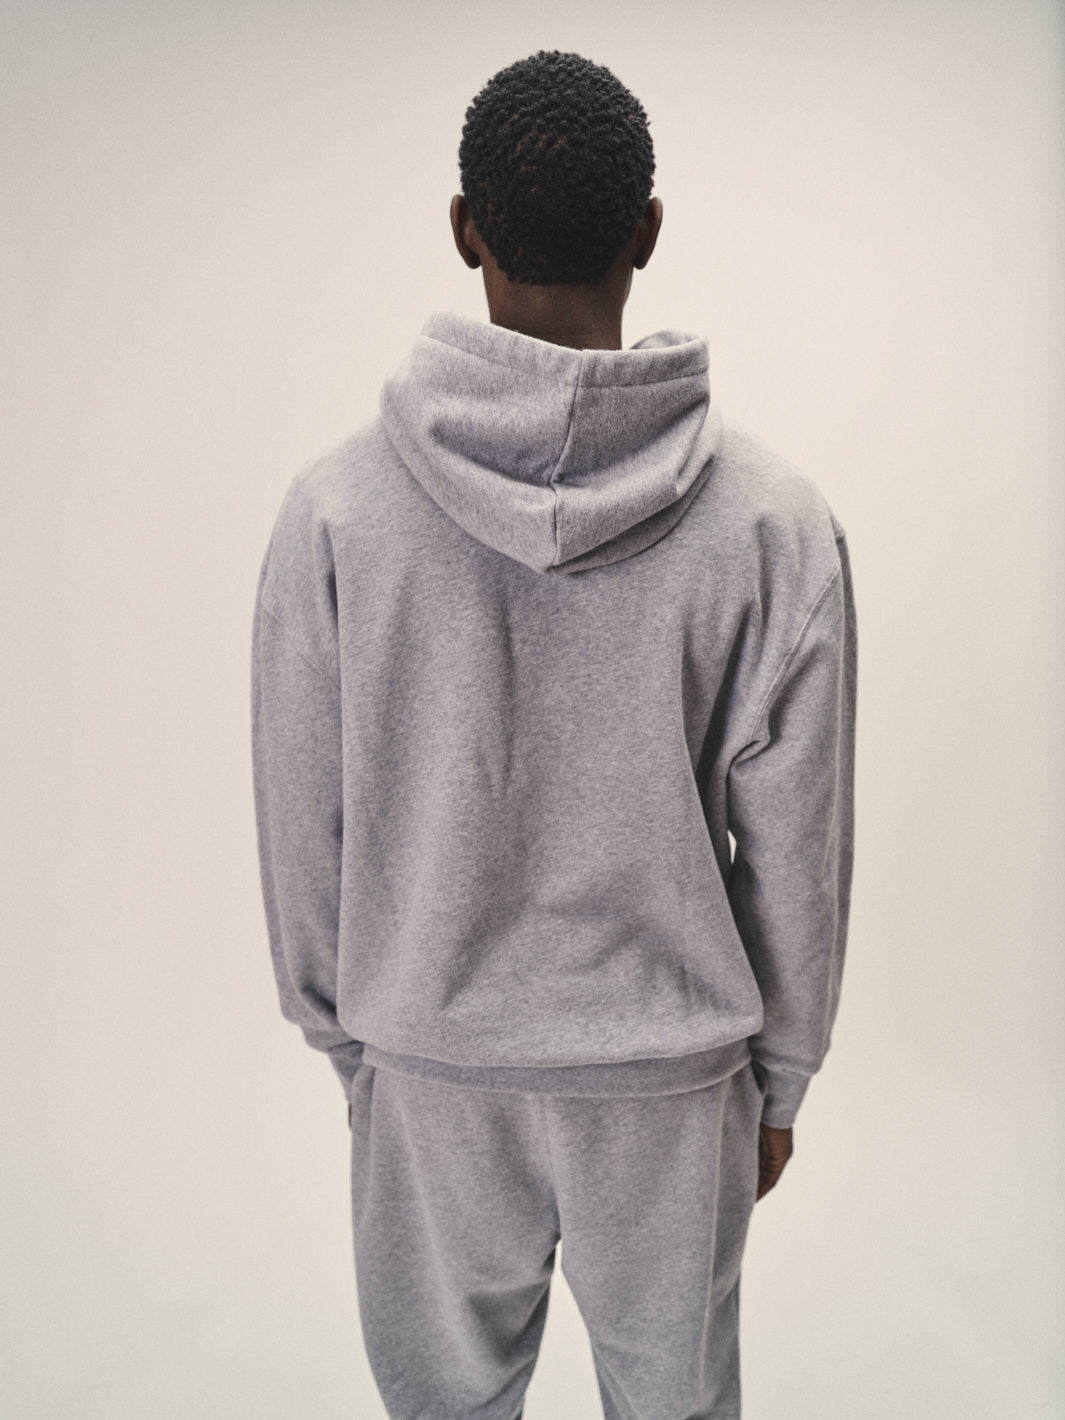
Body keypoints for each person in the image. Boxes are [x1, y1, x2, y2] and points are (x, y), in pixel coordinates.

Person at [251, 49, 856, 1420]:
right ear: (648, 229)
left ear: (464, 227)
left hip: (429, 1076)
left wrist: (357, 1049)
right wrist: (778, 1083)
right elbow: (797, 847)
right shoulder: (773, 524)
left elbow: (302, 819)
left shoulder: (336, 511)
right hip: (670, 1087)